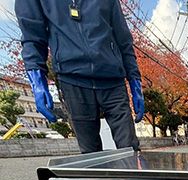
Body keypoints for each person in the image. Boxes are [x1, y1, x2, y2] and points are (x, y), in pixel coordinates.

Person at [15, 0, 145, 154]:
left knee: (130, 147)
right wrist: (37, 81)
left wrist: (135, 80)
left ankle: (133, 170)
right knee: (90, 154)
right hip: (72, 79)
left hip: (112, 78)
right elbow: (32, 37)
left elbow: (123, 38)